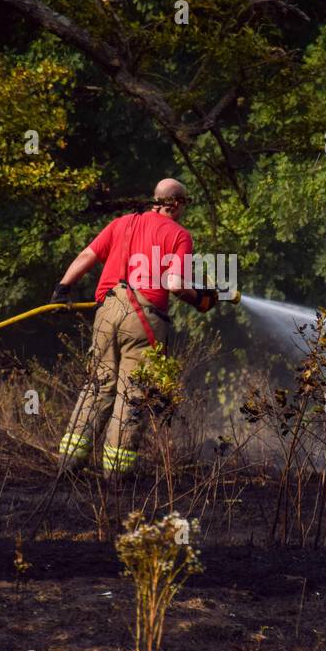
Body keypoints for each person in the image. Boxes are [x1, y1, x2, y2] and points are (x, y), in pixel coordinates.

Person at [50, 178, 218, 482]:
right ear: (177, 203)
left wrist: (63, 288)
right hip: (143, 319)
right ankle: (116, 476)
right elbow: (175, 285)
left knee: (98, 386)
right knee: (132, 393)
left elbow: (87, 255)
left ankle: (68, 466)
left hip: (107, 309)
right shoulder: (179, 235)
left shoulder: (122, 223)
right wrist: (201, 300)